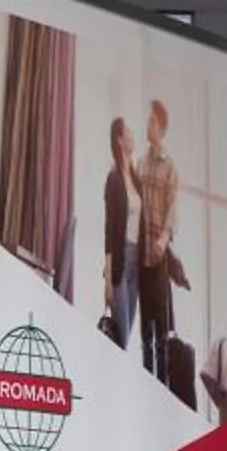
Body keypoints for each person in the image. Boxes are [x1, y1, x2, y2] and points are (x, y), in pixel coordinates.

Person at [134, 99, 186, 397]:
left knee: (161, 327)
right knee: (145, 330)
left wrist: (162, 241)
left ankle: (163, 391)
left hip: (158, 253)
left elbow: (172, 210)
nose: (148, 126)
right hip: (141, 253)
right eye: (148, 120)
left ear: (162, 129)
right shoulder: (140, 163)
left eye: (153, 122)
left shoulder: (170, 167)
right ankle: (145, 388)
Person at [97, 116, 138, 349]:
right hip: (121, 260)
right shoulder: (113, 179)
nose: (133, 136)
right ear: (120, 140)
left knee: (126, 335)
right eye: (128, 132)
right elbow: (109, 228)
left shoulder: (136, 179)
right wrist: (108, 278)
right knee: (120, 336)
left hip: (137, 263)